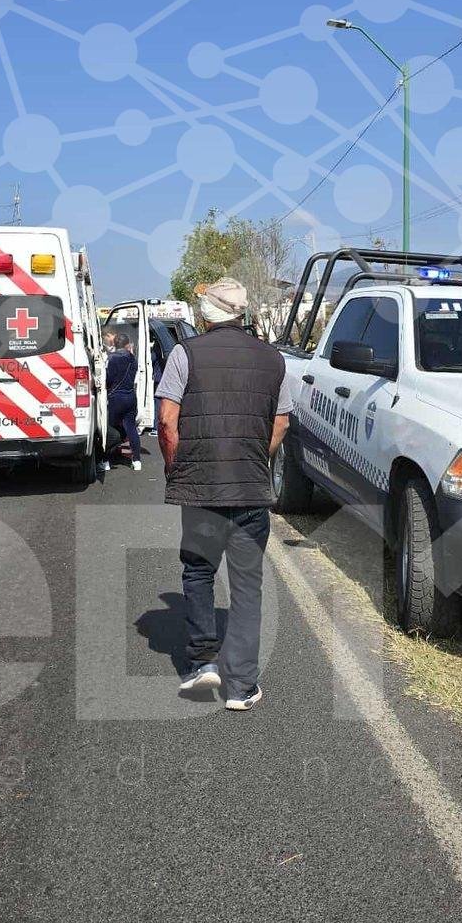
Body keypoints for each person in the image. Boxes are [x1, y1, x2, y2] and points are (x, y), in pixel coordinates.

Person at [156, 278, 291, 712]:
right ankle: (242, 687)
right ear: (241, 313)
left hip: (202, 492)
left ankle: (201, 663)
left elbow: (166, 421)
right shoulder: (273, 359)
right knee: (247, 587)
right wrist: (257, 458)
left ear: (208, 314)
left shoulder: (185, 353)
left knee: (198, 572)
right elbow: (281, 424)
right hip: (251, 491)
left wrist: (176, 466)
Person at [104, 331, 142, 472]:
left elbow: (107, 379)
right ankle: (137, 460)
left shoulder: (111, 358)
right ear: (127, 345)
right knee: (131, 428)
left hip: (115, 398)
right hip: (131, 397)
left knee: (110, 429)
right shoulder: (133, 359)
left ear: (114, 344)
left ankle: (106, 461)